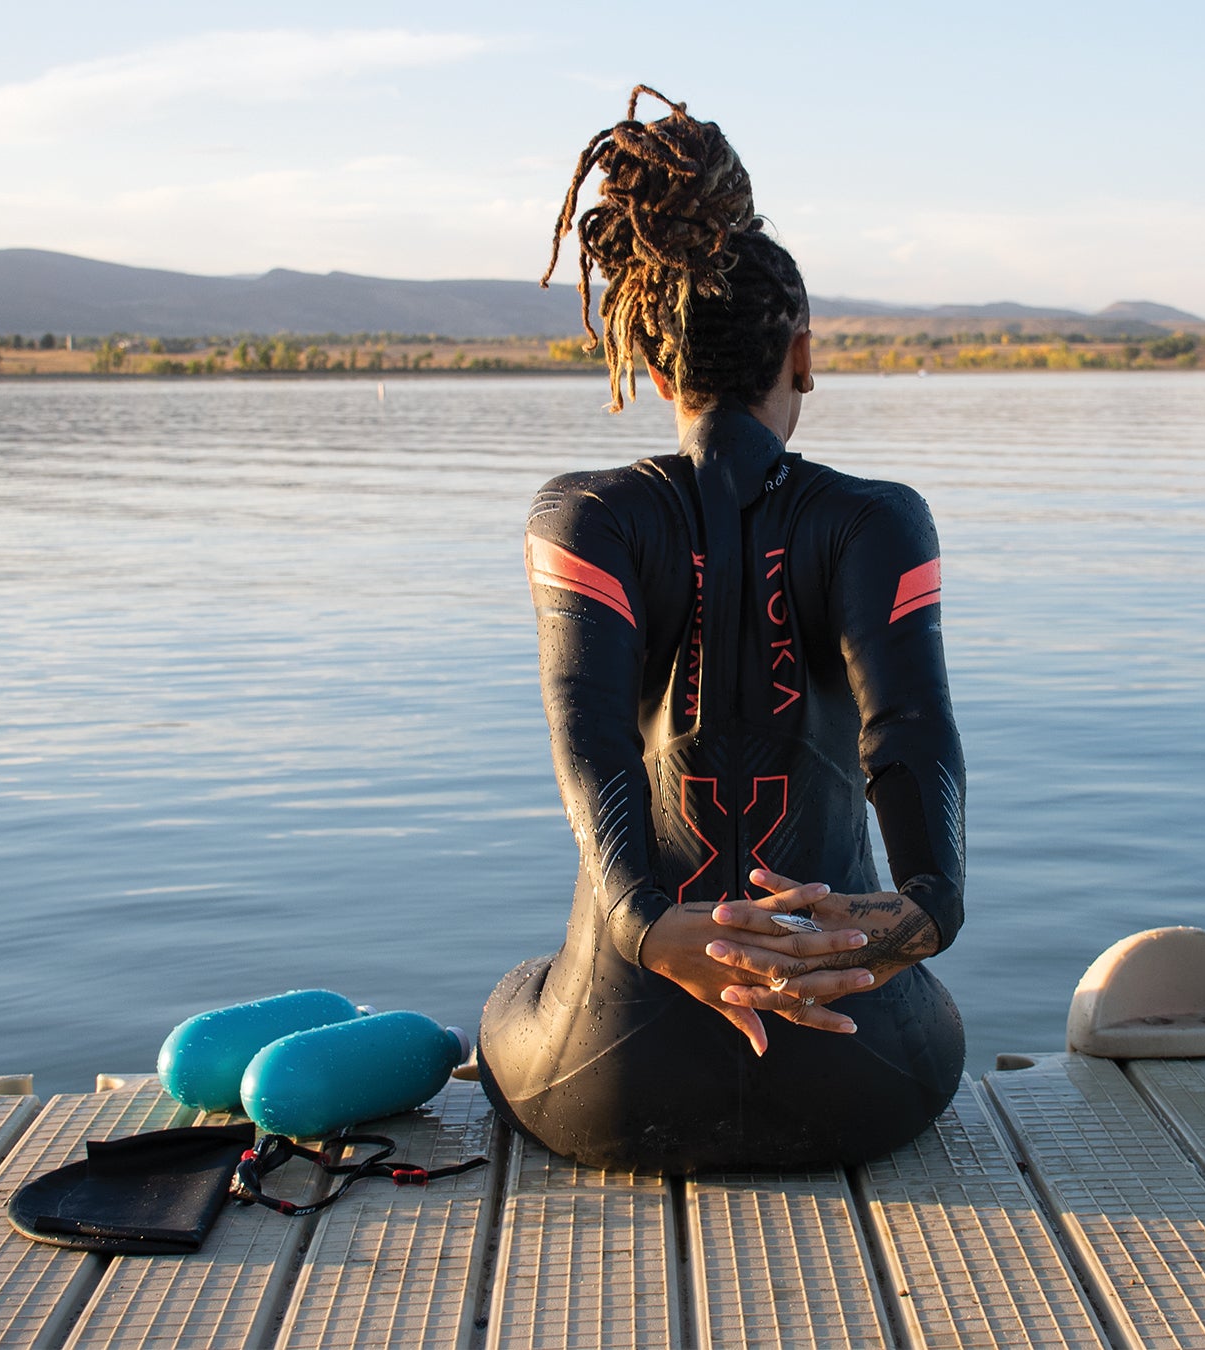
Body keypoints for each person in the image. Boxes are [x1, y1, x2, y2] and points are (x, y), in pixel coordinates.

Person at [477, 88, 966, 1172]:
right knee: (930, 1010)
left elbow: (589, 739)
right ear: (803, 353)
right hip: (865, 1080)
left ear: (656, 368)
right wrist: (917, 917)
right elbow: (912, 735)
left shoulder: (583, 517)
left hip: (602, 1084)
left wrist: (650, 927)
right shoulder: (879, 519)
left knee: (513, 994)